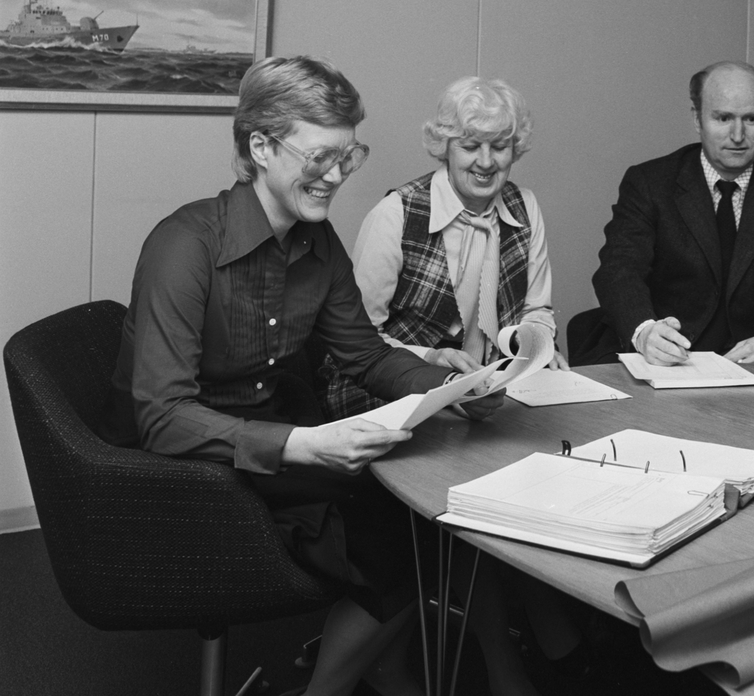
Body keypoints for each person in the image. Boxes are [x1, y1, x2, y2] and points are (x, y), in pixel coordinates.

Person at [99, 56, 500, 696]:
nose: (336, 176)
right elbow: (163, 418)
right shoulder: (185, 244)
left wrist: (458, 389)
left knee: (429, 519)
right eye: (320, 157)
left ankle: (365, 668)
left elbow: (365, 356)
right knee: (400, 535)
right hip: (177, 474)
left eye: (348, 156)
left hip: (267, 441)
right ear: (260, 147)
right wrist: (305, 445)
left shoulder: (319, 243)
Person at [320, 75, 576, 696]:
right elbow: (354, 343)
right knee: (462, 517)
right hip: (390, 397)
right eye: (470, 146)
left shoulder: (525, 208)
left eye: (500, 146)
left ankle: (539, 650)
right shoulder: (395, 214)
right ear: (444, 146)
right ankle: (519, 657)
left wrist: (533, 349)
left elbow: (538, 311)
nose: (486, 161)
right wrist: (433, 360)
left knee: (526, 490)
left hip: (483, 403)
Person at [580, 60, 754, 367]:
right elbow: (619, 271)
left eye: (751, 119)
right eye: (723, 118)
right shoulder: (650, 184)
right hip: (663, 361)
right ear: (697, 119)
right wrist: (645, 332)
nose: (738, 135)